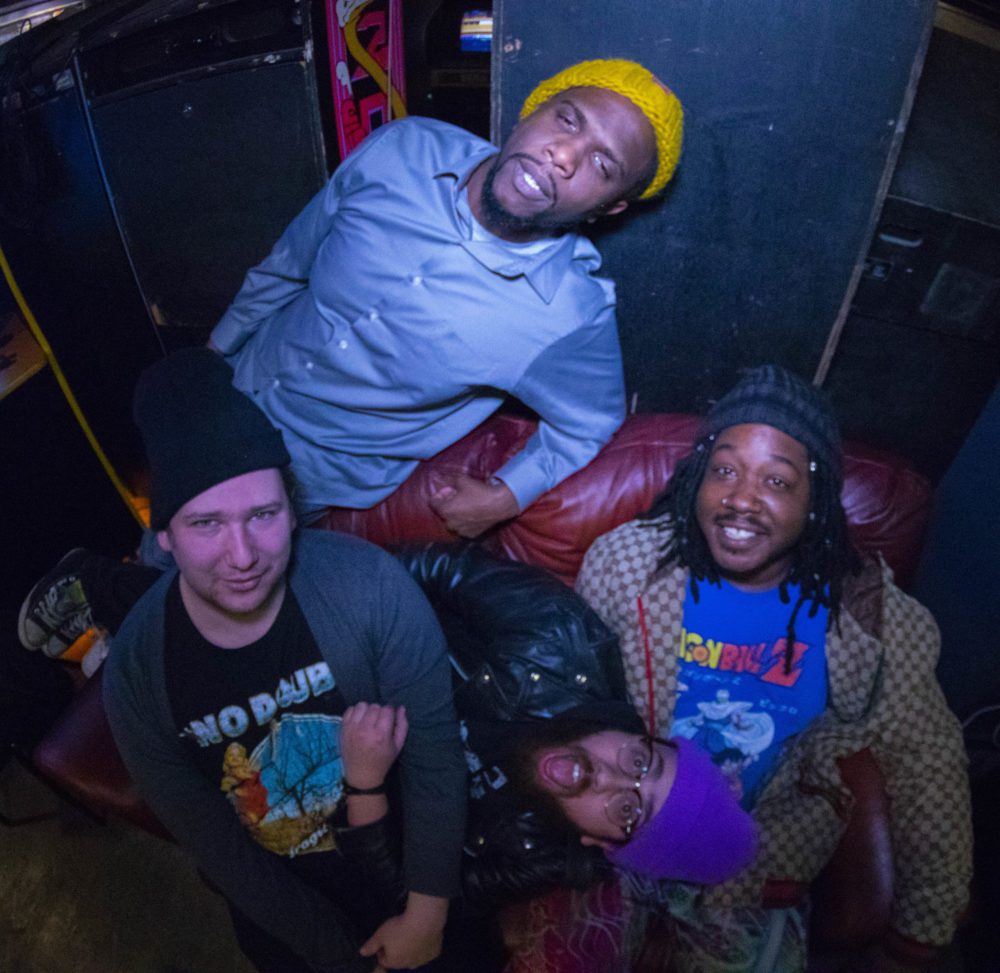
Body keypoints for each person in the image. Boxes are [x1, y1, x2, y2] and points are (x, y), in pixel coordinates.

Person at [574, 364, 973, 971]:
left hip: (754, 877)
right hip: (617, 852)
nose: (740, 498)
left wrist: (919, 937)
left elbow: (929, 766)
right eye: (724, 471)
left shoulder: (869, 619)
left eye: (777, 481)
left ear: (816, 501)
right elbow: (570, 705)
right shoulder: (628, 567)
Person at [100, 348, 466, 973]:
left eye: (263, 515)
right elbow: (220, 851)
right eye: (207, 524)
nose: (243, 555)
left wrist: (427, 915)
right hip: (287, 908)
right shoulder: (136, 677)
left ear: (292, 511)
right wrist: (338, 959)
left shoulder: (371, 589)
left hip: (407, 863)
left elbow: (435, 756)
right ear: (164, 537)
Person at [208, 58, 683, 537]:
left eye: (602, 165)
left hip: (301, 478)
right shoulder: (402, 150)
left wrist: (506, 495)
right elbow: (290, 263)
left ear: (608, 207)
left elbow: (591, 423)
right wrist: (216, 352)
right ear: (532, 110)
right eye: (567, 119)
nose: (564, 155)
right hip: (230, 386)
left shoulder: (569, 315)